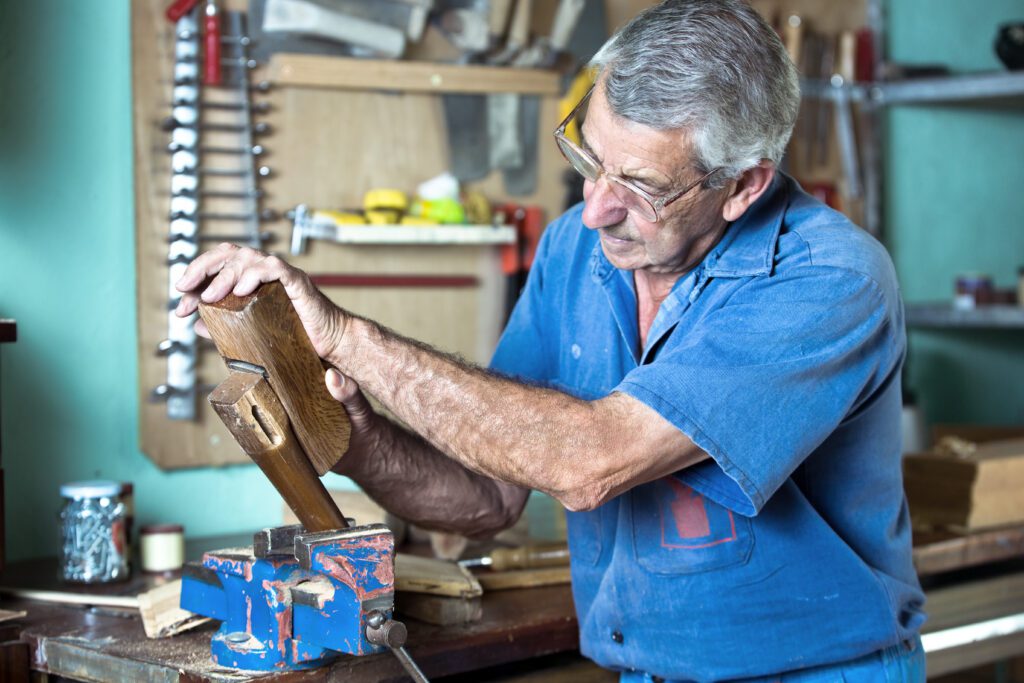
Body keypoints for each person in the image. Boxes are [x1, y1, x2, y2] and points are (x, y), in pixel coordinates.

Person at [175, 1, 926, 680]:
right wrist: (352, 430)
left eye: (641, 187)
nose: (595, 208)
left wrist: (346, 336)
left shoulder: (829, 278)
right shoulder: (574, 249)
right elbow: (486, 494)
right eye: (589, 158)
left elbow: (587, 462)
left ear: (741, 187)